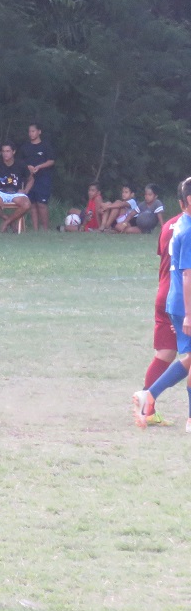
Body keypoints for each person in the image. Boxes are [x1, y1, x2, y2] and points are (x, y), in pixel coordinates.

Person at [132, 177, 191, 432]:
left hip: (168, 294)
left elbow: (165, 257)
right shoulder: (187, 229)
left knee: (180, 356)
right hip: (179, 298)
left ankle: (156, 402)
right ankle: (149, 397)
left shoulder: (170, 225)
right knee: (173, 356)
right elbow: (186, 272)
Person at [0, 142, 32, 232]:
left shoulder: (21, 164)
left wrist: (26, 190)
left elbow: (31, 179)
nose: (5, 153)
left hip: (16, 193)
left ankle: (6, 222)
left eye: (8, 151)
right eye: (3, 151)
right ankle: (8, 220)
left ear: (13, 152)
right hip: (1, 192)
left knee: (27, 204)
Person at [19, 123, 55, 231]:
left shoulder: (45, 146)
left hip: (43, 178)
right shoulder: (25, 147)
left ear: (39, 132)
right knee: (32, 204)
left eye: (33, 131)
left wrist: (40, 166)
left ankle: (45, 229)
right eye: (29, 131)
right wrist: (27, 166)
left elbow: (51, 161)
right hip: (29, 179)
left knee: (42, 204)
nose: (31, 133)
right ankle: (35, 230)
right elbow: (20, 161)